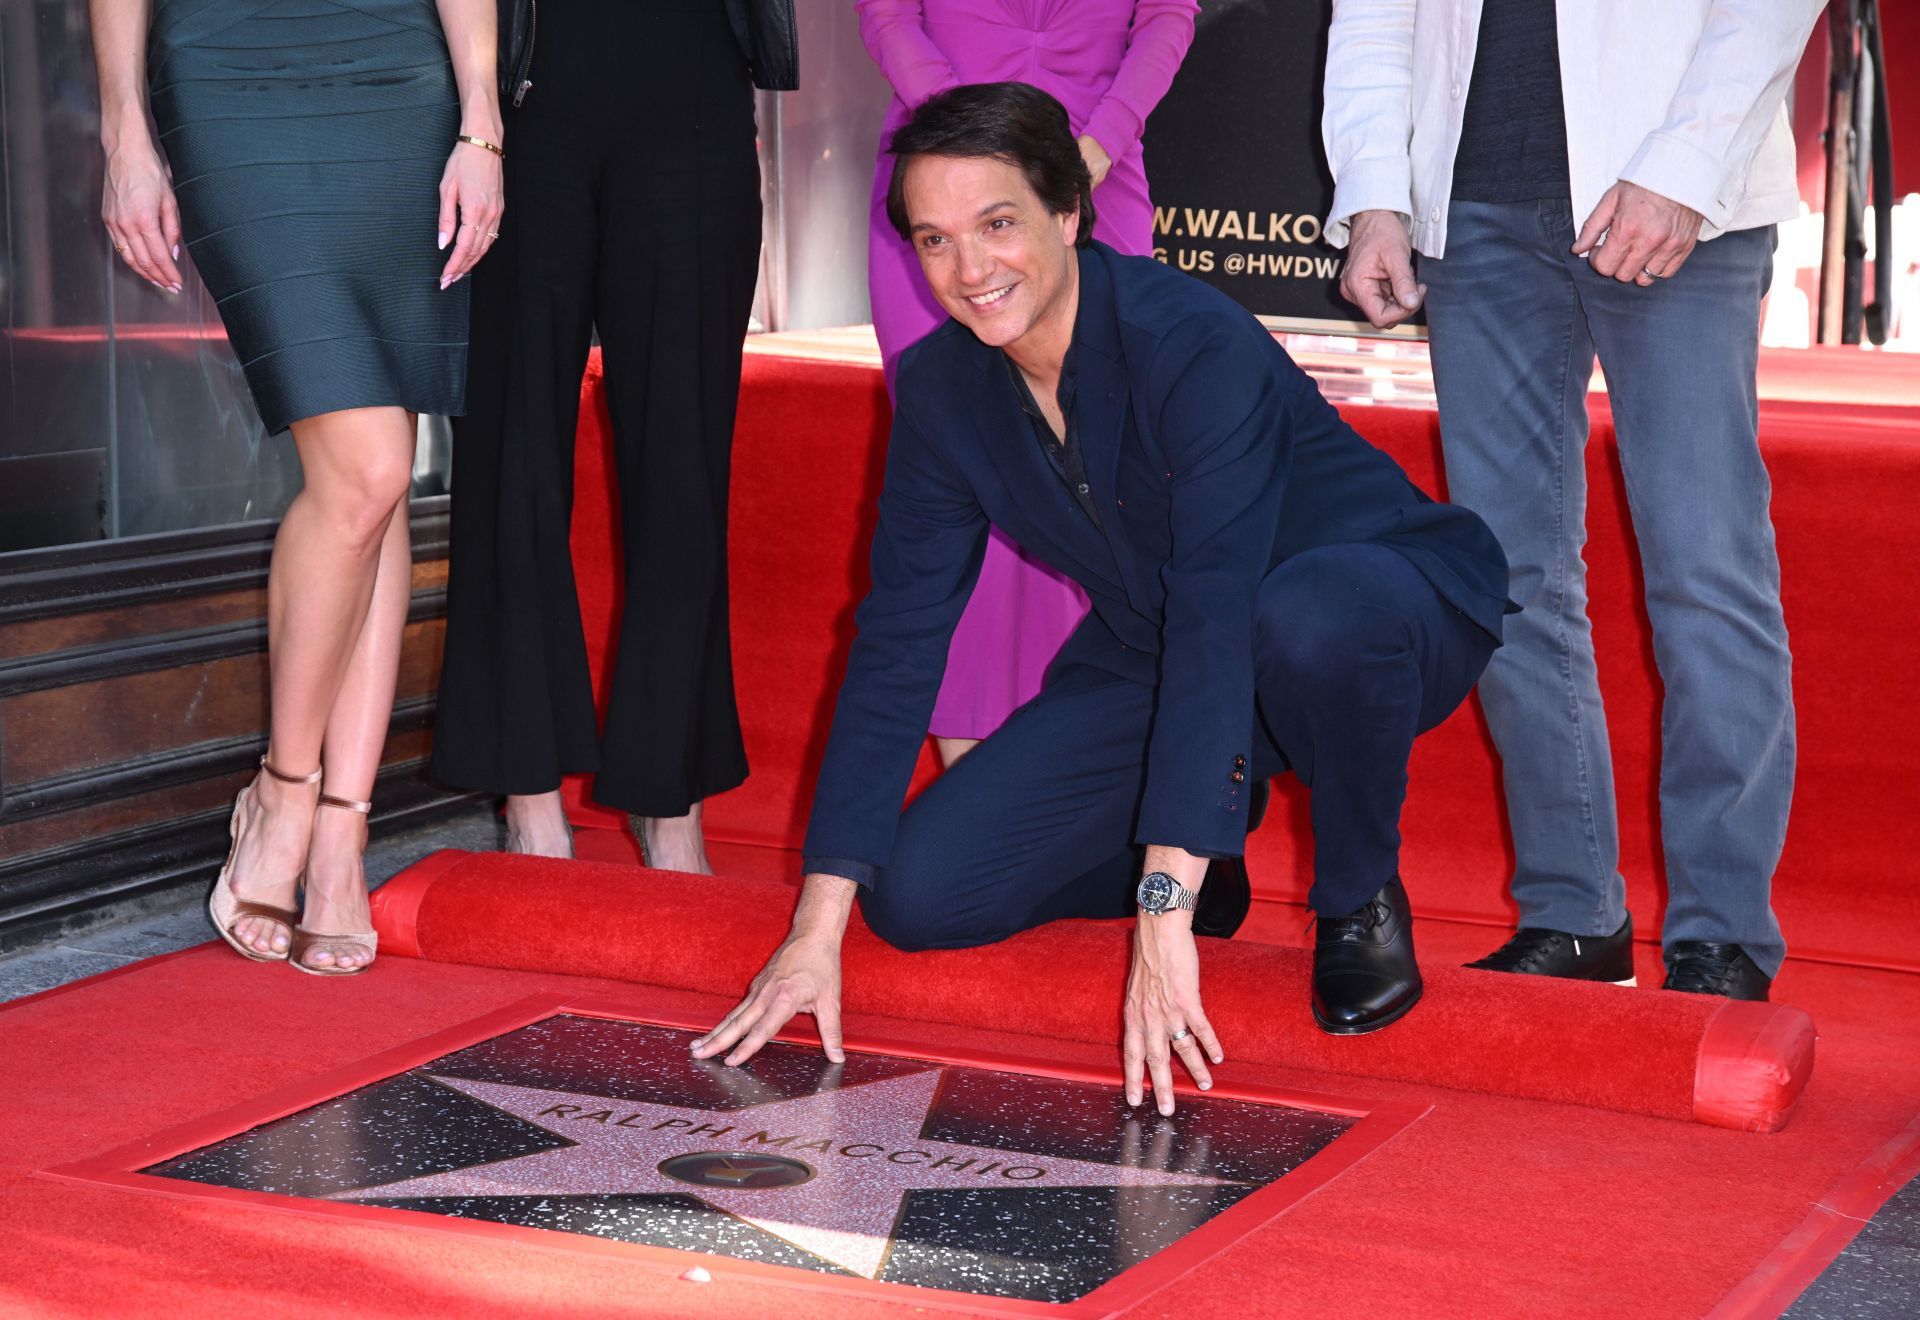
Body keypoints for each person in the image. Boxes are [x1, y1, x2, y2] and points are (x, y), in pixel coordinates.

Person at [694, 84, 1512, 1112]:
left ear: (1069, 215)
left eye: (997, 225)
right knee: (922, 895)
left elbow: (1221, 609)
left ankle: (1358, 899)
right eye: (934, 240)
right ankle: (1211, 841)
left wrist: (1157, 922)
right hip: (1159, 647)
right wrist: (816, 930)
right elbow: (899, 641)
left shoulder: (1189, 343)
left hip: (1365, 605)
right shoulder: (945, 389)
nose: (969, 270)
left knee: (1303, 619)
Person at [1323, 0, 1824, 1002]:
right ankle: (1571, 911)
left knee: (1705, 567)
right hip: (1474, 212)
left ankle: (1722, 935)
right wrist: (1377, 190)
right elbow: (1375, 12)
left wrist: (1686, 165)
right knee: (1508, 578)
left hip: (1679, 198)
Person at [92, 0, 503, 974]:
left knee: (380, 470)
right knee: (364, 470)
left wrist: (481, 121)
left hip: (397, 77)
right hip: (229, 73)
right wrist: (123, 131)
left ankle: (338, 835)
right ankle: (282, 791)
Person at [430, 0, 796, 871]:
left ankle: (670, 800)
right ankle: (528, 795)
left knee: (683, 462)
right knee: (509, 452)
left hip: (695, 79)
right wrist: (478, 118)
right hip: (526, 89)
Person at [858, 0, 1198, 766]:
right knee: (961, 475)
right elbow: (885, 14)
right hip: (944, 187)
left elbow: (1170, 15)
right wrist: (973, 146)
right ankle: (971, 791)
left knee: (1102, 477)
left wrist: (1103, 142)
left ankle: (1086, 766)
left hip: (1092, 174)